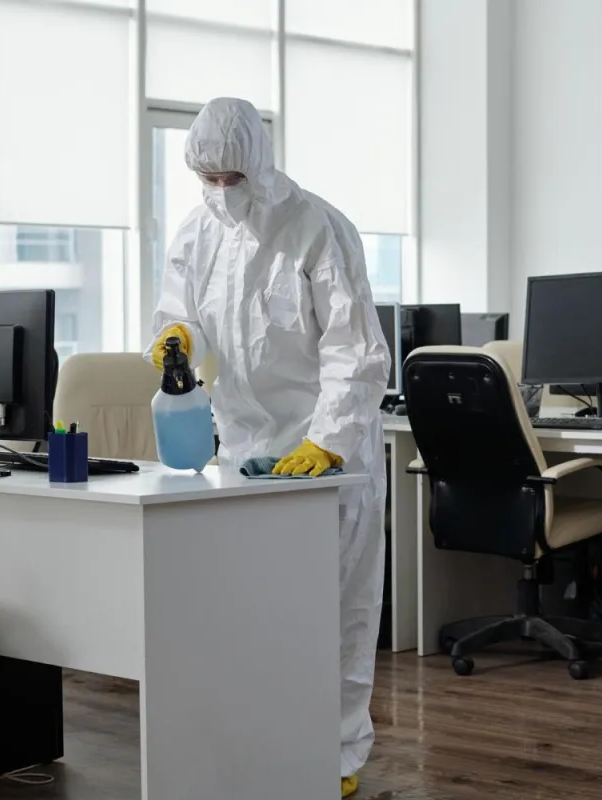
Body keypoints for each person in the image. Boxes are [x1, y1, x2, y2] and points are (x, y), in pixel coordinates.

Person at [145, 97, 390, 796]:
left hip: (327, 453)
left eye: (234, 178)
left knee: (335, 612)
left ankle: (338, 757)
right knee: (252, 613)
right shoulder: (195, 234)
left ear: (259, 163)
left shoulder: (316, 227)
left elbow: (354, 350)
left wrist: (328, 441)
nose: (223, 190)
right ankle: (261, 749)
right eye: (210, 179)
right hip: (243, 451)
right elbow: (180, 317)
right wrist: (177, 339)